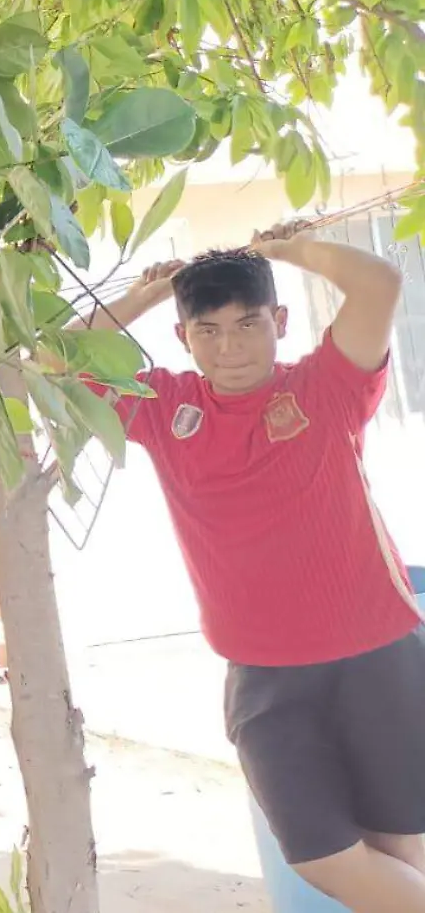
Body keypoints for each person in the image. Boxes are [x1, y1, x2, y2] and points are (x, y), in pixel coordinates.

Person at [73, 219, 419, 912]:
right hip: (263, 676)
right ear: (183, 338)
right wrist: (150, 292)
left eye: (248, 325)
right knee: (323, 857)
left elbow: (380, 283)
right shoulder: (165, 407)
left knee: (402, 856)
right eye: (208, 331)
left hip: (375, 652)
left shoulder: (328, 386)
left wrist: (285, 251)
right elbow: (65, 361)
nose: (229, 348)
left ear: (280, 321)